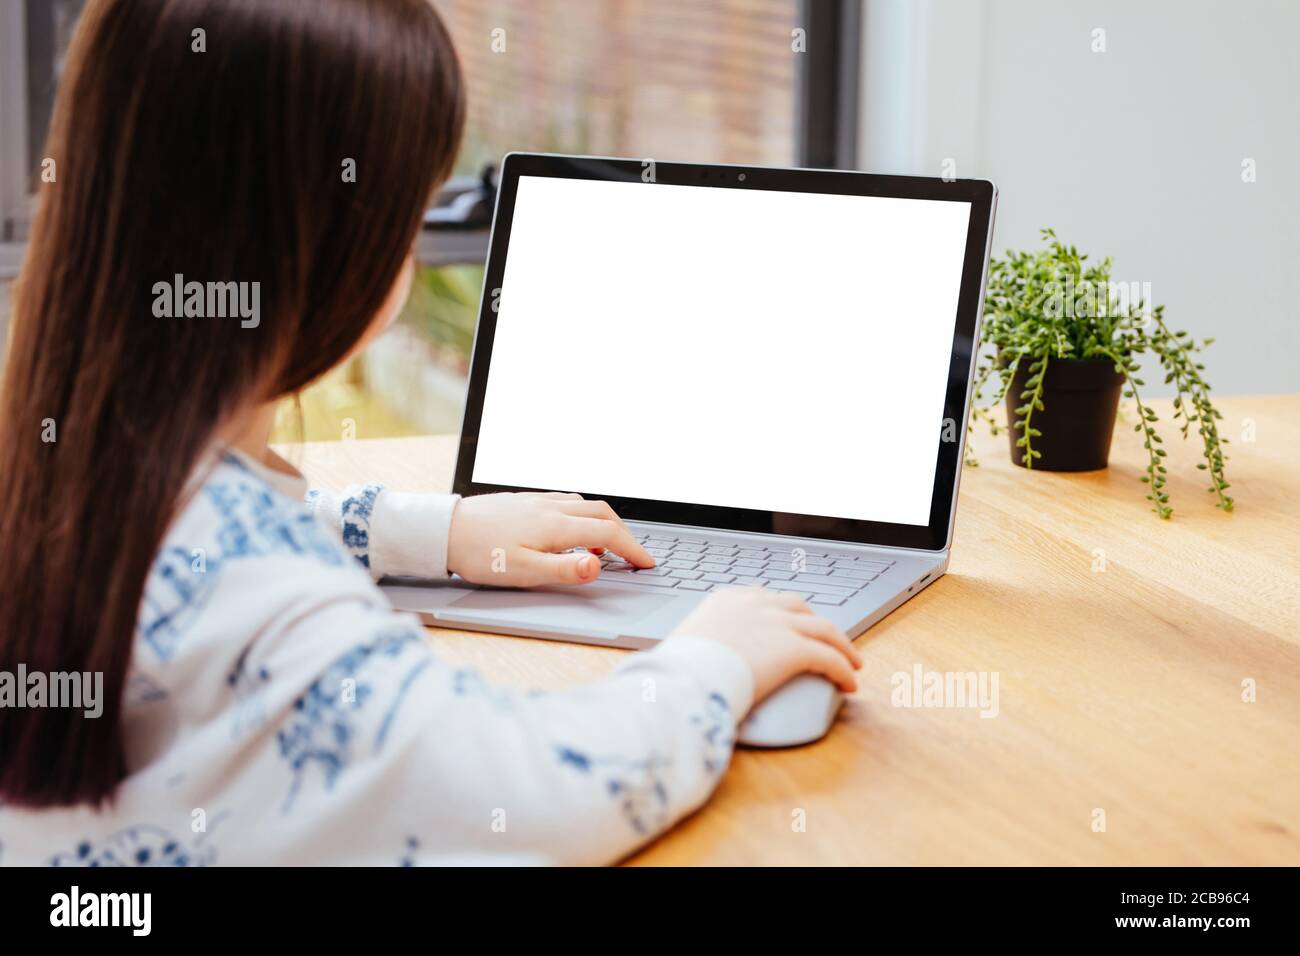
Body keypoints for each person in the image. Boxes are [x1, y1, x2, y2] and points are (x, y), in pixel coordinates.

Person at [0, 0, 859, 865]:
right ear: (327, 244)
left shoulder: (59, 470)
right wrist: (713, 661)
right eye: (406, 212)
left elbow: (196, 544)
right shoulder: (280, 617)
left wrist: (438, 531)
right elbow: (538, 791)